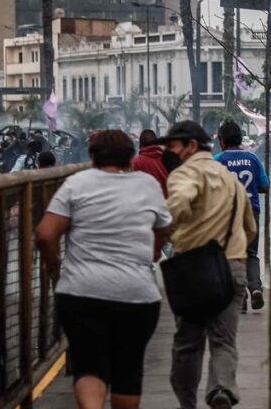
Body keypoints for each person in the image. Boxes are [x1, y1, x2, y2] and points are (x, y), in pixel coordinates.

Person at [37, 130, 172, 409]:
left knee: (89, 363)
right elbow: (165, 227)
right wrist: (153, 251)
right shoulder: (147, 185)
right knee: (128, 368)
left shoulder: (76, 183)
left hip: (80, 292)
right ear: (131, 156)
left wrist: (55, 267)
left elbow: (47, 234)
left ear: (92, 155)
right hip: (137, 294)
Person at [160, 121, 257, 409]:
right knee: (224, 341)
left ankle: (187, 402)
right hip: (233, 267)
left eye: (173, 146)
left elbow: (175, 206)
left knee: (188, 344)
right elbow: (250, 229)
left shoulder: (185, 173)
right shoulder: (231, 180)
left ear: (190, 146)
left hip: (193, 270)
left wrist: (164, 233)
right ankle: (221, 391)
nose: (169, 152)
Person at [213, 121, 269, 313]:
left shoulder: (217, 160)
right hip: (251, 210)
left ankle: (241, 297)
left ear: (222, 140)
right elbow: (265, 186)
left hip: (226, 213)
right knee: (251, 254)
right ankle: (255, 287)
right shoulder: (253, 159)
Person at [132, 129, 170, 198]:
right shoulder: (168, 159)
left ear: (141, 144)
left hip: (146, 203)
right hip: (167, 203)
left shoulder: (136, 162)